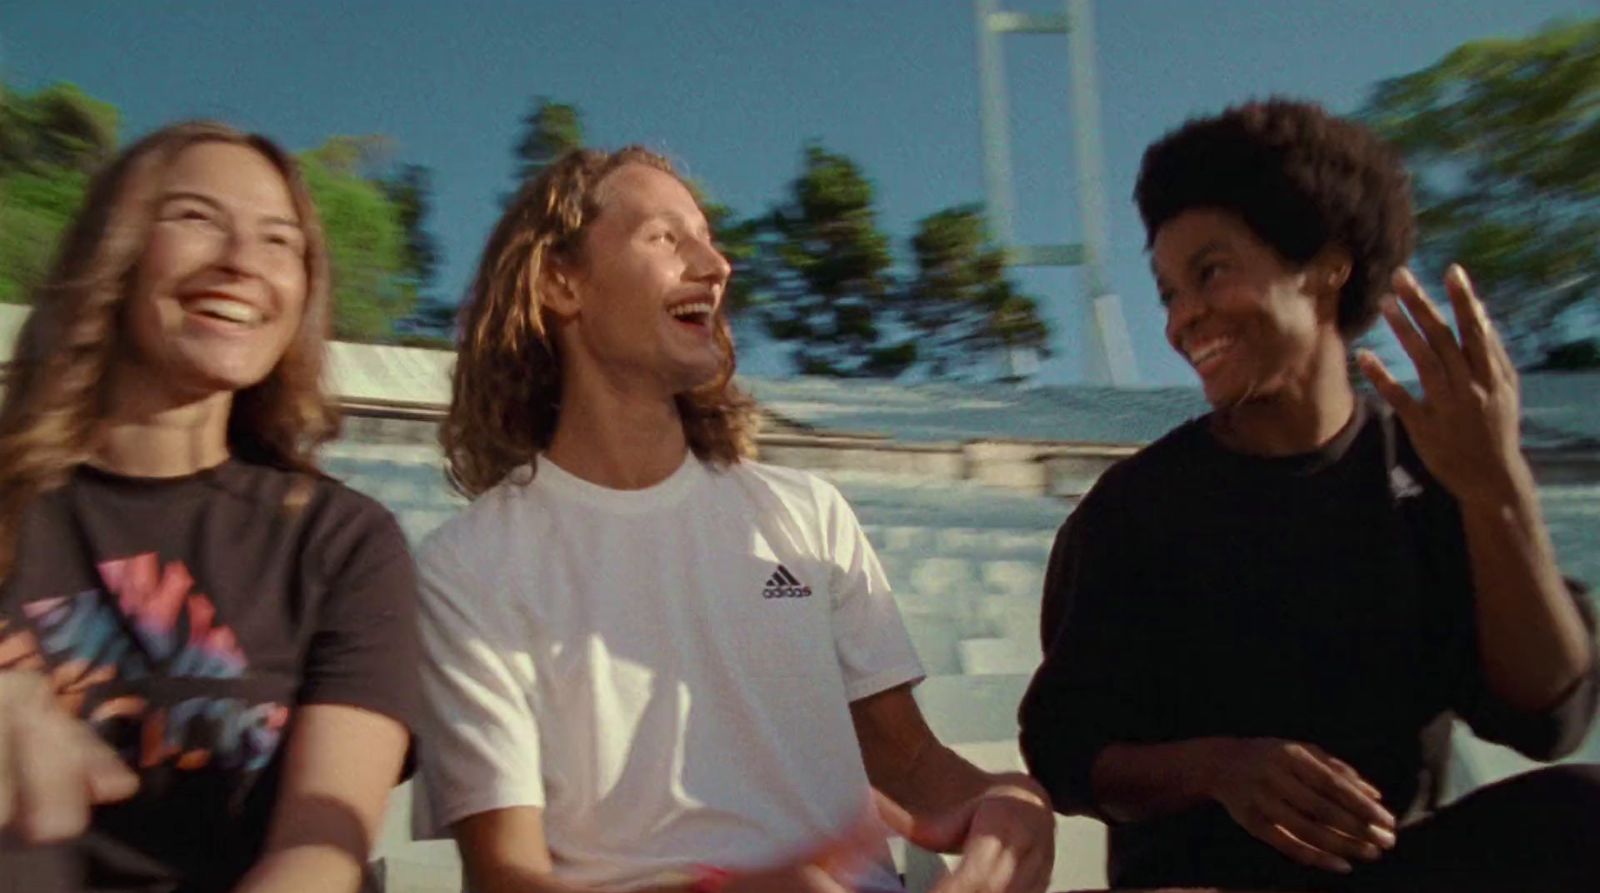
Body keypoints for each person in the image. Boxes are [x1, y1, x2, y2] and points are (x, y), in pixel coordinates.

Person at [412, 146, 1056, 893]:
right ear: (561, 281)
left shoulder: (806, 513)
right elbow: (506, 879)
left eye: (711, 239)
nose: (716, 265)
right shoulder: (470, 563)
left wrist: (1007, 800)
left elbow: (913, 764)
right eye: (666, 237)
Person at [1017, 97, 1600, 892]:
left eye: (1210, 272)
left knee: (1580, 814)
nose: (1184, 317)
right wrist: (1217, 768)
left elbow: (1549, 717)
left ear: (1328, 266)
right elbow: (1064, 751)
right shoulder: (1135, 509)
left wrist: (1496, 487)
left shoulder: (1432, 471)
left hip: (1386, 869)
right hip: (1198, 881)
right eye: (1167, 291)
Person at [0, 121, 418, 893]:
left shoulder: (342, 541)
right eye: (195, 217)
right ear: (115, 253)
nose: (239, 263)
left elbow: (323, 846)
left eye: (278, 241)